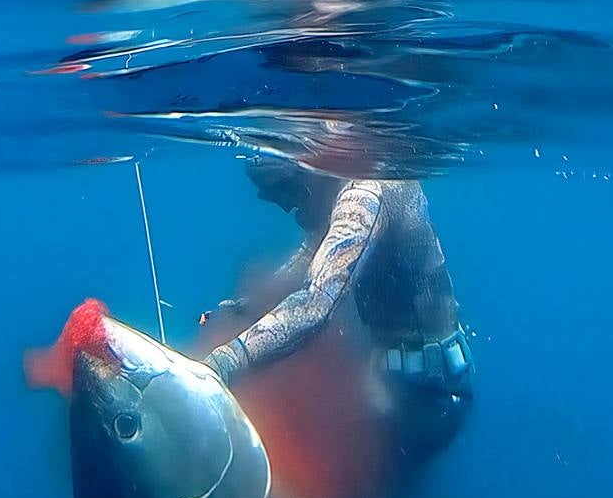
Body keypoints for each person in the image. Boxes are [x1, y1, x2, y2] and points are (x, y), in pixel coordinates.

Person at [202, 155, 474, 469]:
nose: (291, 211)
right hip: (403, 380)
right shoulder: (351, 182)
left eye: (290, 193)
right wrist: (245, 307)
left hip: (430, 395)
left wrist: (226, 361)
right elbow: (314, 255)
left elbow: (317, 301)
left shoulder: (366, 195)